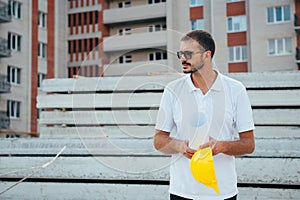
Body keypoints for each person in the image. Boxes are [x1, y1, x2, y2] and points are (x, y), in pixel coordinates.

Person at [153, 30, 255, 200]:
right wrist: (179, 146)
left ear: (207, 55)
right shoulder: (172, 90)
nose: (182, 59)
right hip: (181, 192)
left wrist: (221, 146)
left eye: (188, 54)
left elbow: (249, 144)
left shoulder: (236, 90)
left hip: (222, 193)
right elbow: (158, 140)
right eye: (180, 54)